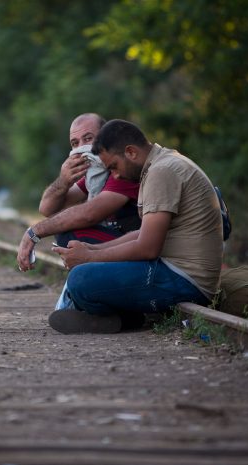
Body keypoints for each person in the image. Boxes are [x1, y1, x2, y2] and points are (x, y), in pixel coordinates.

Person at [48, 119, 223, 334]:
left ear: (131, 152)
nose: (115, 176)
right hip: (176, 270)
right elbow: (142, 233)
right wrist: (92, 249)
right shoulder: (160, 164)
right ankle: (121, 317)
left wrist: (89, 258)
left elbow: (148, 248)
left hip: (186, 280)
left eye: (113, 167)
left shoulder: (162, 172)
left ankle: (127, 318)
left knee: (81, 279)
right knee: (85, 270)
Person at [16, 113, 140, 272]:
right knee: (64, 230)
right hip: (120, 239)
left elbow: (89, 214)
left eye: (88, 139)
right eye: (75, 143)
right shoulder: (96, 173)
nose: (81, 148)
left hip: (138, 243)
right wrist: (63, 181)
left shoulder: (122, 168)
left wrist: (34, 232)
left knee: (69, 234)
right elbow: (47, 208)